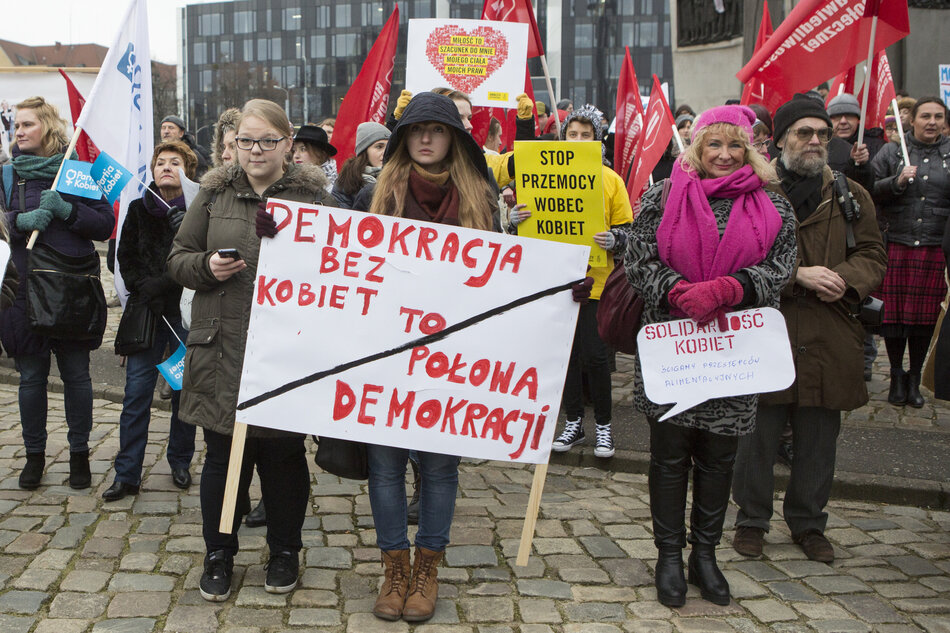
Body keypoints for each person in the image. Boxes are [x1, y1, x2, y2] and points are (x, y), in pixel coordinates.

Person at [625, 105, 796, 607]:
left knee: (720, 458)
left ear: (751, 150)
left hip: (734, 351)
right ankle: (668, 555)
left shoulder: (773, 206)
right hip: (674, 349)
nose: (724, 155)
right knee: (670, 455)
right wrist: (678, 291)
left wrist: (732, 287)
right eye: (713, 145)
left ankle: (706, 554)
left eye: (735, 145)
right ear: (696, 149)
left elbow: (782, 268)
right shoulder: (661, 197)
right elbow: (637, 259)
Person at [168, 98, 333, 601]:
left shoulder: (315, 202)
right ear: (233, 145)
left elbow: (338, 275)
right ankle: (218, 552)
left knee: (283, 454)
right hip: (221, 346)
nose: (255, 150)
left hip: (286, 349)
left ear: (288, 145)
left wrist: (290, 244)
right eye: (245, 141)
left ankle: (285, 551)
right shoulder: (214, 196)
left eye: (266, 140)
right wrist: (206, 269)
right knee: (223, 456)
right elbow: (177, 258)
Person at [732, 93, 885, 564]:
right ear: (779, 140)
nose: (816, 140)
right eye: (805, 132)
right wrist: (795, 272)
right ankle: (751, 521)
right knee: (757, 434)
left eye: (822, 132)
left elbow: (874, 254)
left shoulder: (849, 193)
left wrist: (847, 280)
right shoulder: (752, 190)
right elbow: (734, 252)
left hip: (828, 331)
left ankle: (809, 524)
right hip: (768, 329)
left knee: (819, 438)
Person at [364, 92, 499, 623]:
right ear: (403, 139)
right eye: (416, 129)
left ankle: (427, 569)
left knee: (441, 468)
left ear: (452, 140)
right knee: (386, 464)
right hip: (387, 354)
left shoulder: (479, 201)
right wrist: (278, 237)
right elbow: (332, 261)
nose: (425, 138)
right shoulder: (374, 197)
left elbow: (509, 273)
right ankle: (394, 567)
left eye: (436, 130)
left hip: (452, 359)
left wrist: (560, 290)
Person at [0, 96, 114, 490]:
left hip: (70, 292)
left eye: (27, 124)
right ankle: (34, 458)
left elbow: (104, 224)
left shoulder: (77, 173)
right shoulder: (8, 176)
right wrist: (17, 221)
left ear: (47, 128)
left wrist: (67, 211)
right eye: (16, 125)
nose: (19, 131)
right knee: (31, 379)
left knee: (77, 377)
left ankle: (79, 456)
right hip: (23, 292)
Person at [533, 105, 633, 459]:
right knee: (567, 358)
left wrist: (615, 239)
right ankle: (573, 422)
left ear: (597, 139)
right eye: (571, 134)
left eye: (585, 135)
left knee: (595, 357)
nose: (577, 141)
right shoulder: (542, 175)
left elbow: (629, 229)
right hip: (557, 282)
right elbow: (533, 225)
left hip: (597, 283)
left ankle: (604, 426)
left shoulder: (610, 180)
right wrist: (516, 218)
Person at [103, 141, 197, 501]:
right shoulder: (138, 209)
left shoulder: (196, 209)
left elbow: (198, 257)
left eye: (175, 162)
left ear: (187, 169)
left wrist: (166, 283)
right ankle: (127, 474)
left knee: (181, 391)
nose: (167, 167)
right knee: (136, 395)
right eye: (161, 162)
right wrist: (146, 287)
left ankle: (180, 461)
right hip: (146, 313)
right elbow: (124, 257)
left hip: (182, 314)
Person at [871, 97, 950, 408]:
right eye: (925, 116)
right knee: (895, 318)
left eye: (938, 117)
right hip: (898, 242)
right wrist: (897, 181)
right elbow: (870, 189)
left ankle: (914, 378)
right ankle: (895, 375)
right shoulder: (892, 151)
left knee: (924, 320)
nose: (932, 122)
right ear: (912, 120)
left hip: (935, 246)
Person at [331, 121, 390, 210]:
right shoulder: (346, 182)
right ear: (365, 151)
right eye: (379, 147)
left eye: (389, 147)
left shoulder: (402, 179)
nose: (386, 153)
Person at [293, 124, 337, 191]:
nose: (296, 155)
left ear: (320, 153)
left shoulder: (335, 187)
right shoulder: (288, 181)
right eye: (294, 150)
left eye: (303, 149)